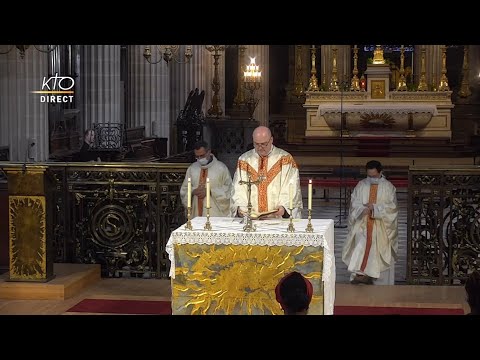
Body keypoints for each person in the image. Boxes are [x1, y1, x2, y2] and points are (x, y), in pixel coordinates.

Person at [342, 160, 398, 285]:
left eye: (374, 176)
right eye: (369, 176)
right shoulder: (361, 185)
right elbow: (354, 203)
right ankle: (360, 274)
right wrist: (362, 208)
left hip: (380, 226)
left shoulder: (388, 187)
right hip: (363, 224)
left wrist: (376, 208)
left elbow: (392, 207)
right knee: (361, 248)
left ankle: (379, 280)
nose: (371, 179)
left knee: (377, 251)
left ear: (380, 172)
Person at [230, 126, 303, 219]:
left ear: (271, 140)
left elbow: (291, 186)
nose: (260, 148)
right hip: (251, 219)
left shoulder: (285, 159)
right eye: (256, 144)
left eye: (264, 144)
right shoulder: (245, 160)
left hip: (276, 217)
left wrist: (284, 207)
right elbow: (238, 188)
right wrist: (241, 208)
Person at [180, 140, 232, 218]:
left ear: (209, 152)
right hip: (196, 212)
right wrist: (193, 191)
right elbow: (184, 189)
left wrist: (210, 191)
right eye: (197, 156)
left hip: (215, 214)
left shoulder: (221, 168)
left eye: (202, 155)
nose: (199, 158)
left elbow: (229, 190)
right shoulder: (192, 168)